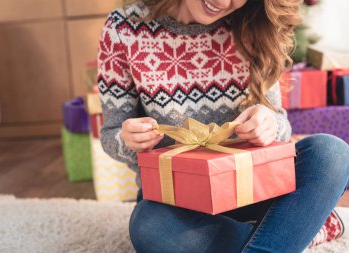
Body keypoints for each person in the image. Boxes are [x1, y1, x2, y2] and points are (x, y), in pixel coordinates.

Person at [96, 0, 349, 252]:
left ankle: (279, 235)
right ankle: (294, 233)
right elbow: (111, 135)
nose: (222, 1)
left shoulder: (253, 23)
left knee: (333, 153)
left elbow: (280, 124)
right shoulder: (122, 28)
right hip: (175, 201)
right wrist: (128, 139)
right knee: (150, 226)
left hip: (255, 189)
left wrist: (269, 123)